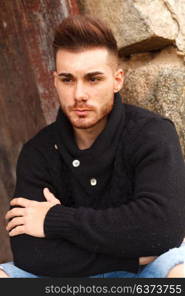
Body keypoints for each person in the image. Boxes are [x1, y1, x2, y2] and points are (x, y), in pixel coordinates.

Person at [0, 15, 185, 278]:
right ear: (54, 81)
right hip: (77, 278)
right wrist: (132, 254)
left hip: (146, 273)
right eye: (67, 79)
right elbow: (30, 253)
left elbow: (162, 230)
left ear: (117, 80)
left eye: (93, 79)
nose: (79, 95)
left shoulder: (151, 133)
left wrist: (55, 219)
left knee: (180, 272)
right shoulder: (37, 152)